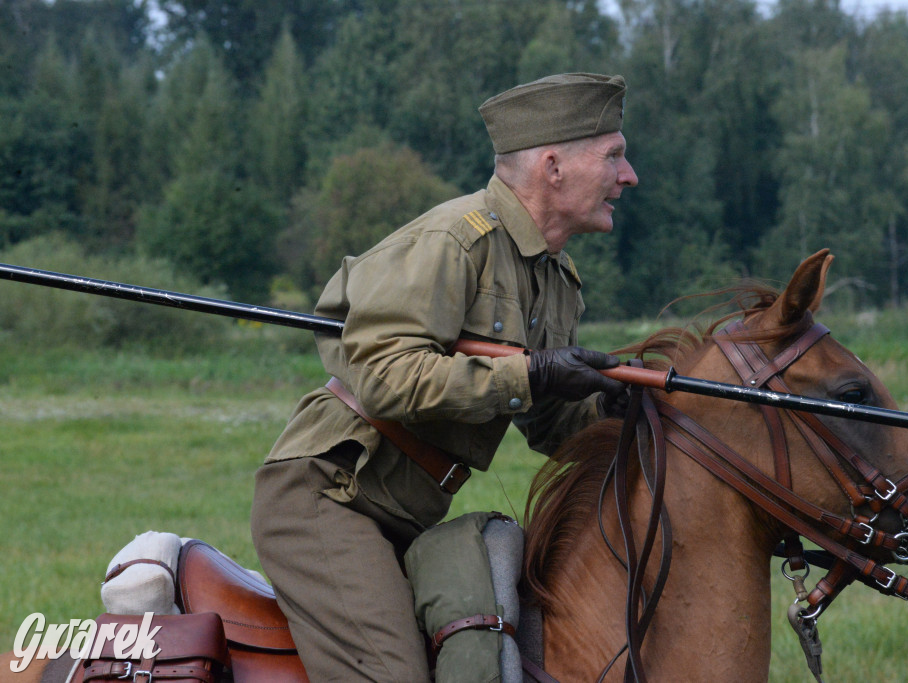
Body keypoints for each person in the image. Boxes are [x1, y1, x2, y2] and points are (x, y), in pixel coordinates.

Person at [251, 72, 639, 682]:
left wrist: (613, 406)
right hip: (329, 494)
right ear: (553, 166)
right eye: (614, 156)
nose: (629, 175)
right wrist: (531, 372)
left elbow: (545, 422)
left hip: (410, 512)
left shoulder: (557, 280)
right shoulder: (454, 242)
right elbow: (384, 377)